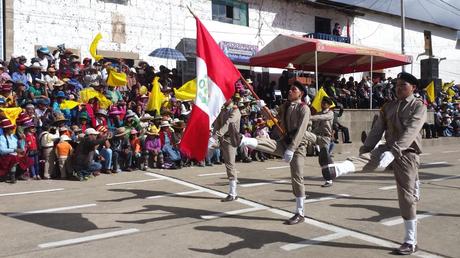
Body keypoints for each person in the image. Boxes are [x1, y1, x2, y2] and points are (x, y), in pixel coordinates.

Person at [323, 72, 427, 255]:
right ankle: (336, 169)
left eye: (403, 85)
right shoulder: (388, 107)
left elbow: (412, 131)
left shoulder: (418, 106)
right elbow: (377, 130)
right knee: (369, 158)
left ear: (413, 88)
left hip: (407, 153)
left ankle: (410, 241)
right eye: (397, 84)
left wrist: (395, 152)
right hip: (387, 148)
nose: (398, 87)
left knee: (406, 197)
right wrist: (366, 149)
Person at [237, 81, 311, 225]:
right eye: (290, 89)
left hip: (298, 147)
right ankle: (244, 141)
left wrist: (292, 149)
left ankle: (300, 212)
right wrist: (262, 106)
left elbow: (301, 131)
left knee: (297, 177)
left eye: (293, 89)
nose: (290, 91)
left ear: (300, 93)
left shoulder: (304, 109)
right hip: (284, 142)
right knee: (268, 143)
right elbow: (271, 115)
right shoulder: (286, 105)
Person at [209, 98, 242, 202]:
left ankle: (233, 193)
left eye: (225, 97)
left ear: (230, 99)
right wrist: (212, 137)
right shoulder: (223, 110)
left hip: (230, 139)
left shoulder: (235, 111)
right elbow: (218, 124)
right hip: (221, 138)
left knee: (230, 164)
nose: (223, 99)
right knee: (205, 146)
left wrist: (215, 136)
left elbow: (227, 124)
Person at [0, 119, 24, 183]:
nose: (12, 130)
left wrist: (22, 141)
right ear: (6, 130)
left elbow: (20, 147)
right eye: (10, 129)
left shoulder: (14, 137)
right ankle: (12, 176)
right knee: (14, 158)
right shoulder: (1, 138)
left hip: (14, 155)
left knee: (26, 159)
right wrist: (14, 150)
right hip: (4, 157)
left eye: (12, 128)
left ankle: (17, 174)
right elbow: (2, 151)